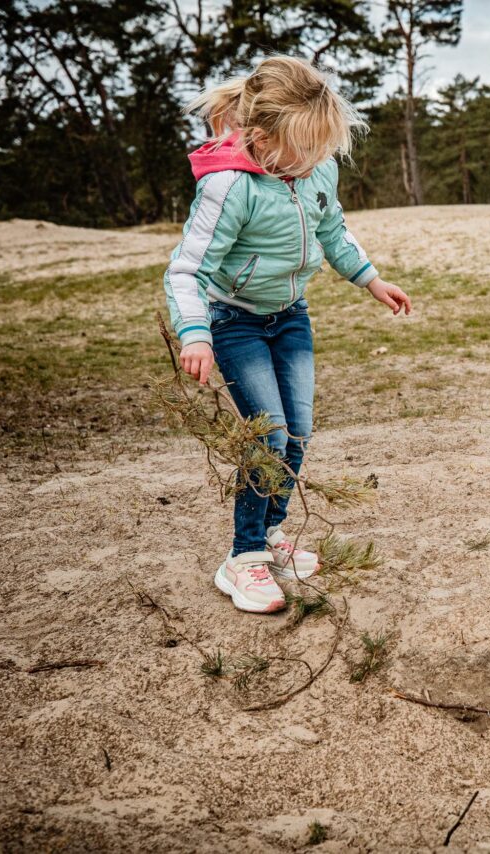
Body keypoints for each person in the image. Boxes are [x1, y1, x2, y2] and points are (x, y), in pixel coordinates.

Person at [164, 56, 412, 614]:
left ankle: (273, 531)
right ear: (261, 136)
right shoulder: (229, 187)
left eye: (324, 146)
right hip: (235, 322)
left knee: (296, 432)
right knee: (267, 436)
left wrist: (372, 281)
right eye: (305, 146)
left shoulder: (316, 168)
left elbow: (332, 228)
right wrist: (196, 334)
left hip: (291, 316)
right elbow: (186, 270)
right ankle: (243, 557)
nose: (317, 158)